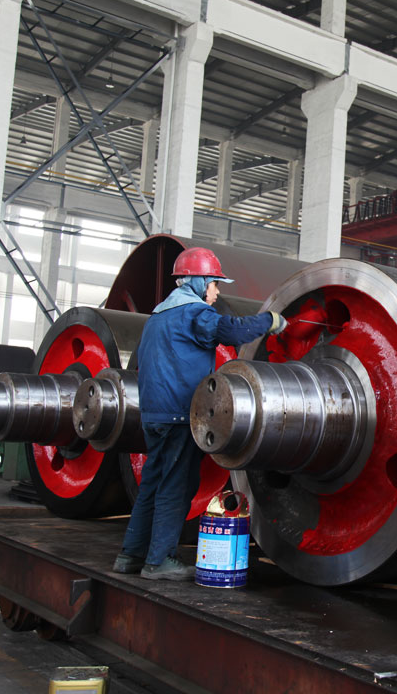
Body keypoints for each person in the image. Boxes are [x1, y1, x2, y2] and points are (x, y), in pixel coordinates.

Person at [112, 247, 287, 581]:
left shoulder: (157, 317)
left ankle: (130, 555)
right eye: (214, 284)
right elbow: (232, 331)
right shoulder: (194, 314)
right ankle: (159, 561)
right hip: (179, 416)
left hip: (153, 415)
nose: (217, 292)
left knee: (151, 484)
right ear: (198, 282)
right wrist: (270, 321)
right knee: (176, 487)